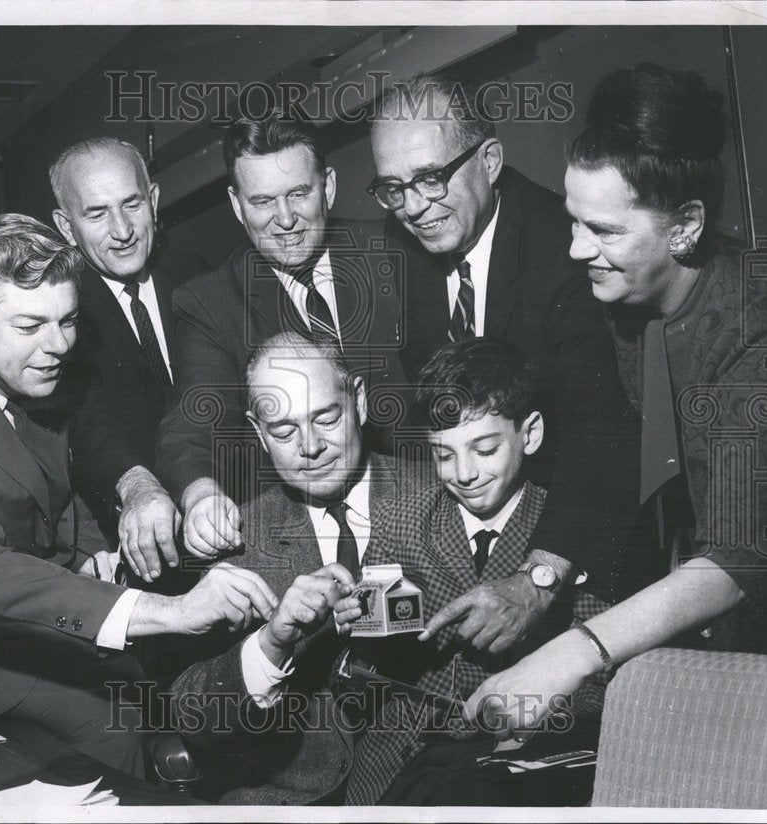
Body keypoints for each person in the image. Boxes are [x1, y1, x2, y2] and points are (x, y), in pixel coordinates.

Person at [0, 214, 278, 778]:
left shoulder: (28, 370)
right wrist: (173, 611)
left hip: (18, 619)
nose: (59, 345)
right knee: (116, 728)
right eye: (30, 325)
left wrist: (93, 555)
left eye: (68, 320)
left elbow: (50, 492)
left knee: (179, 689)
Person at [461, 64, 767, 736]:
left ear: (685, 227)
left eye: (605, 231)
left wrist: (571, 656)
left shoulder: (760, 330)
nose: (576, 248)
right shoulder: (623, 305)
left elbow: (738, 560)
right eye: (573, 222)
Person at [367, 73, 646, 648]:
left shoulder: (565, 248)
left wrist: (539, 579)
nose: (413, 208)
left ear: (489, 160)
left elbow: (601, 427)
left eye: (430, 178)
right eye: (393, 188)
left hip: (574, 544)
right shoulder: (400, 246)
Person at [332, 338, 610, 805]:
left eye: (485, 449)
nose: (464, 473)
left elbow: (602, 675)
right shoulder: (401, 519)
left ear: (531, 434)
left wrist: (536, 710)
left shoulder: (565, 537)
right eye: (444, 455)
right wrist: (353, 628)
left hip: (515, 758)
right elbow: (368, 661)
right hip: (396, 759)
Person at [167, 331, 422, 804]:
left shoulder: (441, 492)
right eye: (284, 431)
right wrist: (272, 644)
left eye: (326, 418)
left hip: (430, 789)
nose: (311, 446)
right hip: (289, 802)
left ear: (360, 401)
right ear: (259, 433)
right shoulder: (241, 538)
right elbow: (192, 715)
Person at [154, 113, 406, 565]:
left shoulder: (392, 252)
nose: (285, 219)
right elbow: (192, 423)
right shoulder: (210, 303)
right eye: (263, 201)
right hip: (300, 546)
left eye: (298, 194)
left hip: (417, 513)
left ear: (328, 187)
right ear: (237, 206)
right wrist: (201, 494)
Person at [50, 137, 206, 582]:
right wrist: (135, 483)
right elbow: (85, 418)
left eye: (132, 204)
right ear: (66, 227)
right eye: (97, 214)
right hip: (128, 550)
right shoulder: (58, 309)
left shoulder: (196, 274)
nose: (122, 231)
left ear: (153, 201)